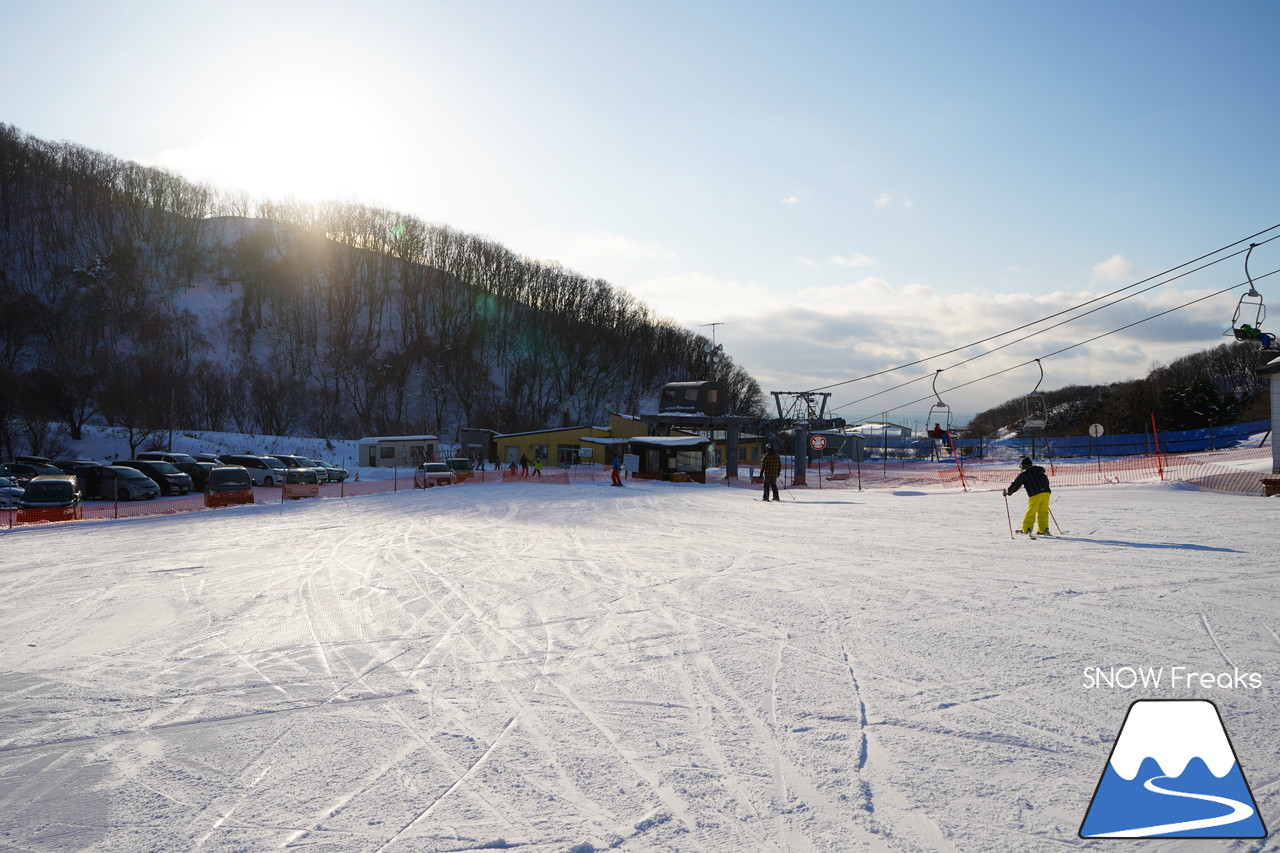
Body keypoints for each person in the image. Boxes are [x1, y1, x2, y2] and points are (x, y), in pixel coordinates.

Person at [1004, 456, 1051, 536]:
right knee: (1043, 511)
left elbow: (1016, 484)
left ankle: (1026, 529)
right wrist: (1043, 490)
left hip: (1035, 494)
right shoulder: (1040, 472)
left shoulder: (1024, 474)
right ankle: (1044, 529)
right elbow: (1046, 481)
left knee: (1031, 512)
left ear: (1022, 466)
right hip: (1046, 493)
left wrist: (1009, 492)